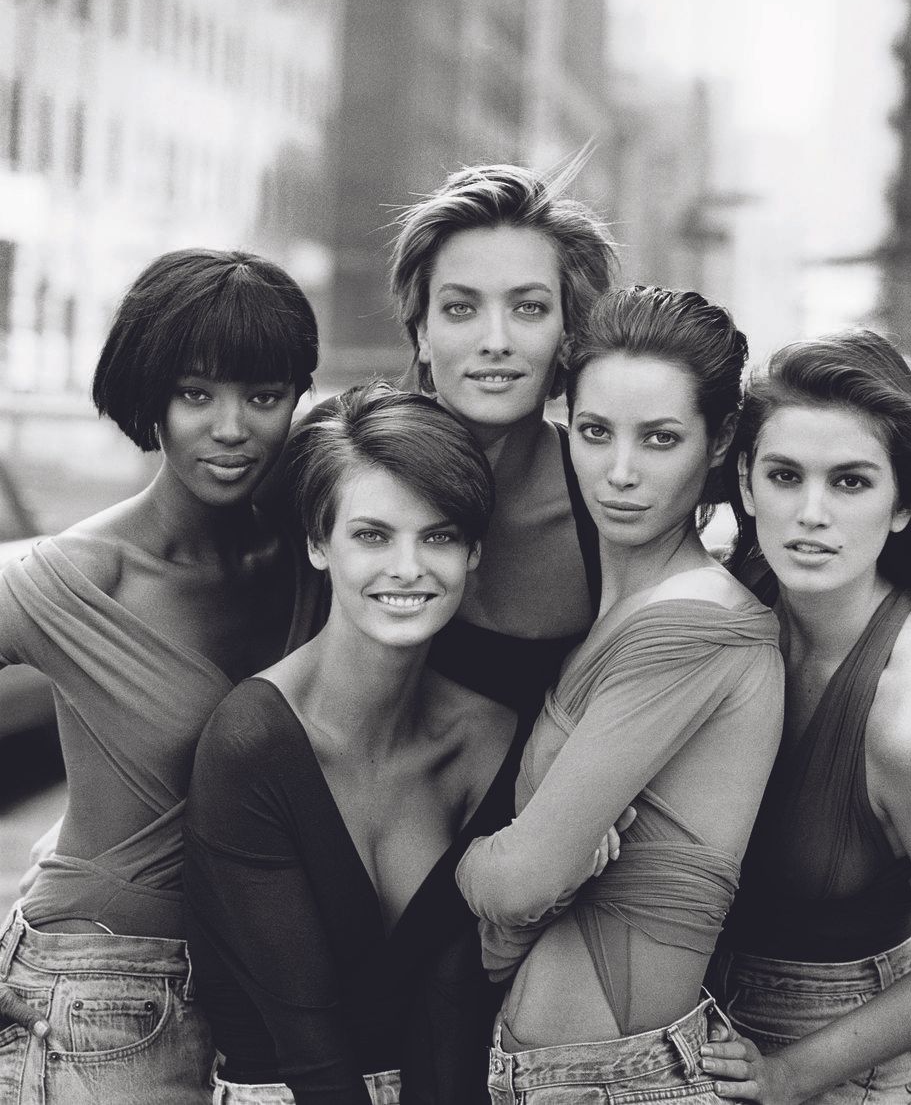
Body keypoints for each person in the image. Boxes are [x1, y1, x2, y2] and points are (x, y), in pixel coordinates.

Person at [0, 248, 325, 1104]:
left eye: (263, 396)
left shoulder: (316, 554)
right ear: (153, 395)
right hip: (100, 988)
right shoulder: (78, 577)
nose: (231, 427)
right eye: (197, 394)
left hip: (264, 999)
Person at [456, 286, 785, 1104]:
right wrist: (530, 878)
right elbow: (527, 901)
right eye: (596, 432)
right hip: (572, 1075)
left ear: (717, 446)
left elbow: (522, 881)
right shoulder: (609, 611)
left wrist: (472, 863)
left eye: (661, 438)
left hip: (617, 1081)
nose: (621, 472)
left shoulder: (692, 625)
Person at [182, 384, 523, 1105]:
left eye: (440, 535)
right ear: (317, 541)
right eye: (372, 535)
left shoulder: (493, 734)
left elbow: (456, 1008)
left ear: (475, 550)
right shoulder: (253, 742)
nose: (409, 567)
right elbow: (310, 1053)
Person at [702, 330, 911, 1104]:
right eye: (785, 476)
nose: (810, 514)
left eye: (850, 482)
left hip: (850, 1056)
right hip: (703, 1022)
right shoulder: (731, 598)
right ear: (748, 487)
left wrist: (793, 1073)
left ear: (902, 506)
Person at [388, 160, 618, 723]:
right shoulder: (344, 466)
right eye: (461, 308)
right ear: (422, 332)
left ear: (569, 333)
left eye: (529, 308)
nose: (495, 341)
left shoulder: (609, 498)